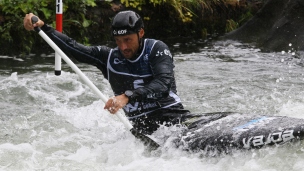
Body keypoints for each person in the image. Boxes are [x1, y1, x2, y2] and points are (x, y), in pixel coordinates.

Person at [23, 10, 192, 135]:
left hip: (173, 123)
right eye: (118, 41)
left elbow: (163, 84)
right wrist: (44, 28)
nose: (123, 47)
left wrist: (127, 96)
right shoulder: (109, 57)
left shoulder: (156, 49)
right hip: (142, 131)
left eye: (128, 40)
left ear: (140, 33)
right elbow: (73, 48)